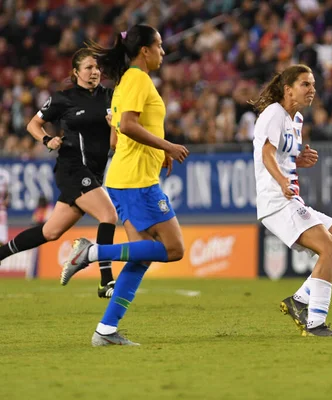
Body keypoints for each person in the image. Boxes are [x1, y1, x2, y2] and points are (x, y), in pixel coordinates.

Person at [62, 24, 189, 346]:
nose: (162, 51)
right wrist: (167, 145)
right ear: (144, 50)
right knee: (174, 249)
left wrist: (156, 151)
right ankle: (92, 252)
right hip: (135, 181)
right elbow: (129, 125)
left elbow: (118, 137)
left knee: (140, 257)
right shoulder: (136, 79)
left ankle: (105, 331)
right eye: (159, 45)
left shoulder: (126, 82)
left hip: (130, 176)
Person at [251, 64, 332, 337]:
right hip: (277, 202)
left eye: (313, 84)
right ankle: (315, 324)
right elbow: (266, 154)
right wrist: (282, 182)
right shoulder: (273, 114)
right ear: (288, 89)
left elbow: (280, 155)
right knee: (330, 249)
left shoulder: (296, 119)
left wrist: (297, 160)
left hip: (292, 199)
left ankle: (299, 300)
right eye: (305, 84)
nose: (312, 90)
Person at [0, 48, 118, 298]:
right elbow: (33, 123)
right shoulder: (63, 99)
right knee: (108, 214)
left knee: (51, 232)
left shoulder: (110, 96)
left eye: (96, 68)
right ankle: (106, 280)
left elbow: (115, 144)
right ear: (76, 73)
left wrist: (114, 126)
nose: (94, 71)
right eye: (88, 67)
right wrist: (46, 140)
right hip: (72, 168)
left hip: (94, 172)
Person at [0, 168, 9, 245]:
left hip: (2, 210)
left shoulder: (4, 173)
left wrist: (6, 201)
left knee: (2, 236)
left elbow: (8, 192)